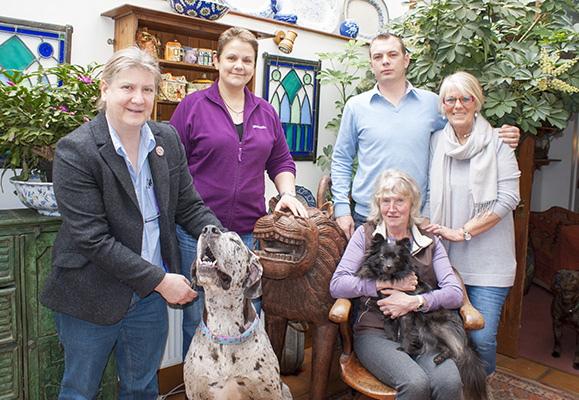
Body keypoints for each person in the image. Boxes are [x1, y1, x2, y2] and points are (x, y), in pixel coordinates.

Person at [39, 47, 224, 399]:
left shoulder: (167, 140)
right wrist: (160, 281)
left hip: (148, 298)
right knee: (80, 390)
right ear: (105, 90)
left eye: (148, 89)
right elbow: (92, 240)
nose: (138, 99)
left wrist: (223, 242)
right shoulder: (75, 151)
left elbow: (189, 207)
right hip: (90, 293)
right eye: (127, 88)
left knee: (141, 389)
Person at [169, 27, 307, 360]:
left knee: (248, 315)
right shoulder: (191, 106)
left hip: (247, 232)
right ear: (217, 61)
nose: (239, 65)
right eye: (231, 57)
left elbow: (280, 160)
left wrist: (287, 192)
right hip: (197, 234)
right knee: (198, 318)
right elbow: (171, 166)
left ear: (253, 65)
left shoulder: (266, 112)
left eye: (247, 60)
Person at [330, 32, 520, 240]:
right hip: (367, 217)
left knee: (414, 274)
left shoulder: (432, 104)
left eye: (392, 55)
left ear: (406, 60)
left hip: (417, 220)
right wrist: (342, 210)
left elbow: (463, 133)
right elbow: (341, 159)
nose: (385, 61)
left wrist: (498, 135)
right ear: (371, 64)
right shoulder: (356, 107)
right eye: (378, 57)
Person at [330, 168, 464, 400]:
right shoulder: (365, 235)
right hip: (375, 332)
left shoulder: (430, 242)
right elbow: (337, 284)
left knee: (449, 382)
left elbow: (454, 294)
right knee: (415, 383)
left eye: (400, 201)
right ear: (378, 204)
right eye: (386, 201)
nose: (392, 209)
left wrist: (415, 301)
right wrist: (379, 285)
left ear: (412, 204)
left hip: (423, 332)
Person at [424, 71, 520, 375]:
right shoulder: (437, 142)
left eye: (465, 98)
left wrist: (463, 232)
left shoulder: (498, 142)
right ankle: (454, 387)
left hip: (490, 261)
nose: (458, 105)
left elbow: (508, 199)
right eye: (450, 99)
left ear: (477, 102)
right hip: (446, 261)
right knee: (447, 337)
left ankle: (481, 388)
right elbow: (428, 194)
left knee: (481, 336)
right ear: (442, 105)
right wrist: (426, 227)